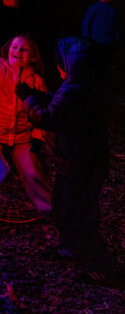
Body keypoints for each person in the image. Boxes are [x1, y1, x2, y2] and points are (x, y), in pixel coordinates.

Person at [16, 37, 120, 286]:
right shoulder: (84, 83)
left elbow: (47, 118)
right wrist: (41, 95)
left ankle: (98, 265)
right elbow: (62, 104)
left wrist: (28, 99)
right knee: (65, 205)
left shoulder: (74, 89)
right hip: (82, 160)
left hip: (79, 162)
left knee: (77, 210)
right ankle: (74, 247)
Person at [0, 35, 53, 224]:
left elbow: (42, 111)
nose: (18, 52)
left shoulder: (36, 81)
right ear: (7, 50)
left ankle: (48, 208)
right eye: (15, 48)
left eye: (24, 50)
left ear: (32, 57)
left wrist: (37, 135)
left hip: (22, 136)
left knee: (31, 169)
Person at [81, 0, 119, 73]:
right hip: (96, 40)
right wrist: (86, 37)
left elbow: (115, 24)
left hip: (108, 40)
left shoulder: (112, 9)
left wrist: (116, 37)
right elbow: (86, 23)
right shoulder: (94, 8)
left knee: (106, 63)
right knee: (97, 63)